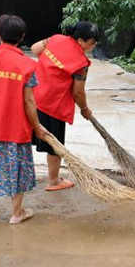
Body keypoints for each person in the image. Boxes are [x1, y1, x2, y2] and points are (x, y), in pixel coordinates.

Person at [0, 14, 47, 225]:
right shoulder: (27, 65)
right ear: (21, 37)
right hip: (16, 127)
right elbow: (29, 102)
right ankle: (17, 213)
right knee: (17, 169)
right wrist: (37, 127)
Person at [30, 21, 100, 191]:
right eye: (92, 43)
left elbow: (34, 49)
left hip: (32, 97)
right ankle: (54, 181)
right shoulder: (81, 63)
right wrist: (84, 109)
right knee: (55, 145)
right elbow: (78, 93)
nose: (94, 46)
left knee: (26, 137)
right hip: (53, 105)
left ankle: (16, 174)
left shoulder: (56, 39)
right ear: (81, 41)